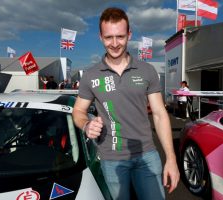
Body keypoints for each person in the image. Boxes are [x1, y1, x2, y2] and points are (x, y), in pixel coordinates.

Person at [72, 7, 179, 200]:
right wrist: (86, 124)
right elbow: (78, 110)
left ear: (129, 35)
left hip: (147, 154)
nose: (114, 44)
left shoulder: (146, 71)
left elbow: (159, 114)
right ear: (100, 37)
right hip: (112, 159)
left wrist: (171, 159)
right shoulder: (90, 76)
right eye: (108, 38)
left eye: (120, 37)